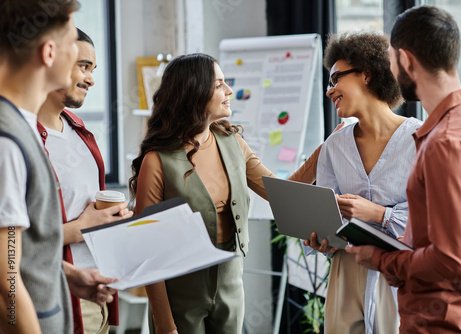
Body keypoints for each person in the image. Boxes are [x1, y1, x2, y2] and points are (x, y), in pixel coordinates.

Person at [128, 53, 318, 334]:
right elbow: (149, 251)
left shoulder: (233, 143)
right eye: (219, 85)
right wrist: (165, 324)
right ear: (194, 92)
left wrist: (325, 151)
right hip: (181, 288)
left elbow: (280, 193)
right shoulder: (157, 161)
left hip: (231, 281)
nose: (229, 91)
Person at [346, 5, 461, 333]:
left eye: (390, 58)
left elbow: (454, 261)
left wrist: (382, 260)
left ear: (406, 60)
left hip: (442, 324)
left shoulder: (447, 142)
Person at [0, 1, 117, 333]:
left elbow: (19, 254)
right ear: (50, 53)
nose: (89, 76)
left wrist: (68, 274)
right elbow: (7, 279)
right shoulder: (8, 139)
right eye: (72, 47)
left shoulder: (17, 127)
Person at [302, 32, 422, 334]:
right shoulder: (334, 146)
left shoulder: (421, 141)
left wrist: (380, 214)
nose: (330, 91)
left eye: (335, 79)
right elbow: (330, 217)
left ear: (366, 74)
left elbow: (435, 221)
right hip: (346, 272)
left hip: (398, 274)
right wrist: (324, 241)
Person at [37, 28, 132, 333]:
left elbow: (90, 208)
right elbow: (11, 242)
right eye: (83, 66)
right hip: (57, 297)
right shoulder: (19, 139)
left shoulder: (78, 128)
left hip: (97, 289)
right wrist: (79, 229)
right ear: (51, 58)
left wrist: (112, 219)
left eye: (92, 69)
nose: (91, 79)